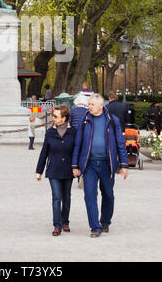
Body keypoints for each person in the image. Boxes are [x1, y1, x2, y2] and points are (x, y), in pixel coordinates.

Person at [72, 94, 128, 238]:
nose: (89, 106)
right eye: (89, 104)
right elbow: (77, 143)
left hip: (107, 164)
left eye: (92, 104)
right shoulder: (85, 120)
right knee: (89, 195)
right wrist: (75, 165)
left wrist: (124, 164)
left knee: (108, 195)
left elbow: (120, 143)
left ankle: (105, 221)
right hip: (89, 164)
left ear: (101, 106)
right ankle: (95, 227)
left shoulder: (112, 120)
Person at [36, 104, 76, 236]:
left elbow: (77, 151)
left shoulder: (73, 132)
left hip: (68, 170)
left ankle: (65, 221)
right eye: (53, 116)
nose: (53, 118)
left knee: (67, 197)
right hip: (53, 169)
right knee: (56, 197)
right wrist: (39, 171)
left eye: (56, 116)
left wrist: (78, 167)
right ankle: (57, 225)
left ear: (64, 118)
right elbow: (44, 152)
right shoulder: (50, 133)